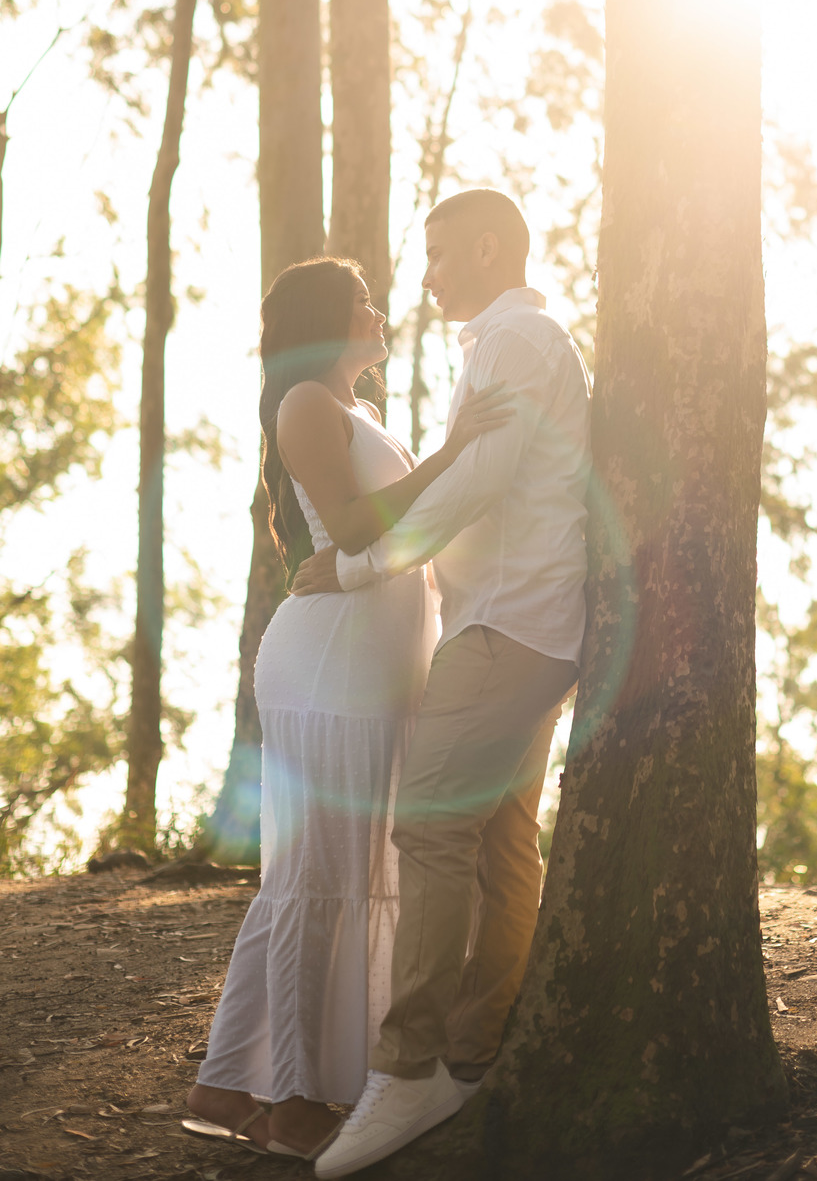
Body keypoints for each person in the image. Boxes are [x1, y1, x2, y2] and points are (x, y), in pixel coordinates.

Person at [290, 191, 591, 1180]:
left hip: (509, 624)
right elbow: (474, 480)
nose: (425, 277)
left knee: (428, 824)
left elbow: (483, 483)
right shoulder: (502, 345)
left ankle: (408, 1066)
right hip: (515, 619)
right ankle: (472, 1053)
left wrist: (359, 565)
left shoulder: (518, 341)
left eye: (438, 255)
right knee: (503, 838)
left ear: (488, 246)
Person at [184, 257, 511, 1160]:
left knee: (336, 872)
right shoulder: (303, 404)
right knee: (318, 878)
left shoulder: (362, 412)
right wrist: (451, 453)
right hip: (327, 668)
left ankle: (225, 1083)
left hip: (382, 668)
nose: (378, 310)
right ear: (327, 318)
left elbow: (407, 525)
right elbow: (363, 526)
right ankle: (291, 1098)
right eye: (362, 300)